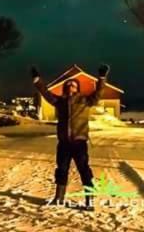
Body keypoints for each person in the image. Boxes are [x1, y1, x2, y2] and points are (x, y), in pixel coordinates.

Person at [31, 64, 110, 211]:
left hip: (79, 142)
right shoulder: (59, 102)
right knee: (61, 169)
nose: (70, 86)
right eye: (68, 85)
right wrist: (37, 80)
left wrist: (102, 78)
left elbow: (99, 93)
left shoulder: (85, 101)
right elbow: (46, 93)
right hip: (64, 143)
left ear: (77, 88)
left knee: (84, 170)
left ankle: (89, 200)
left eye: (73, 85)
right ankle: (59, 198)